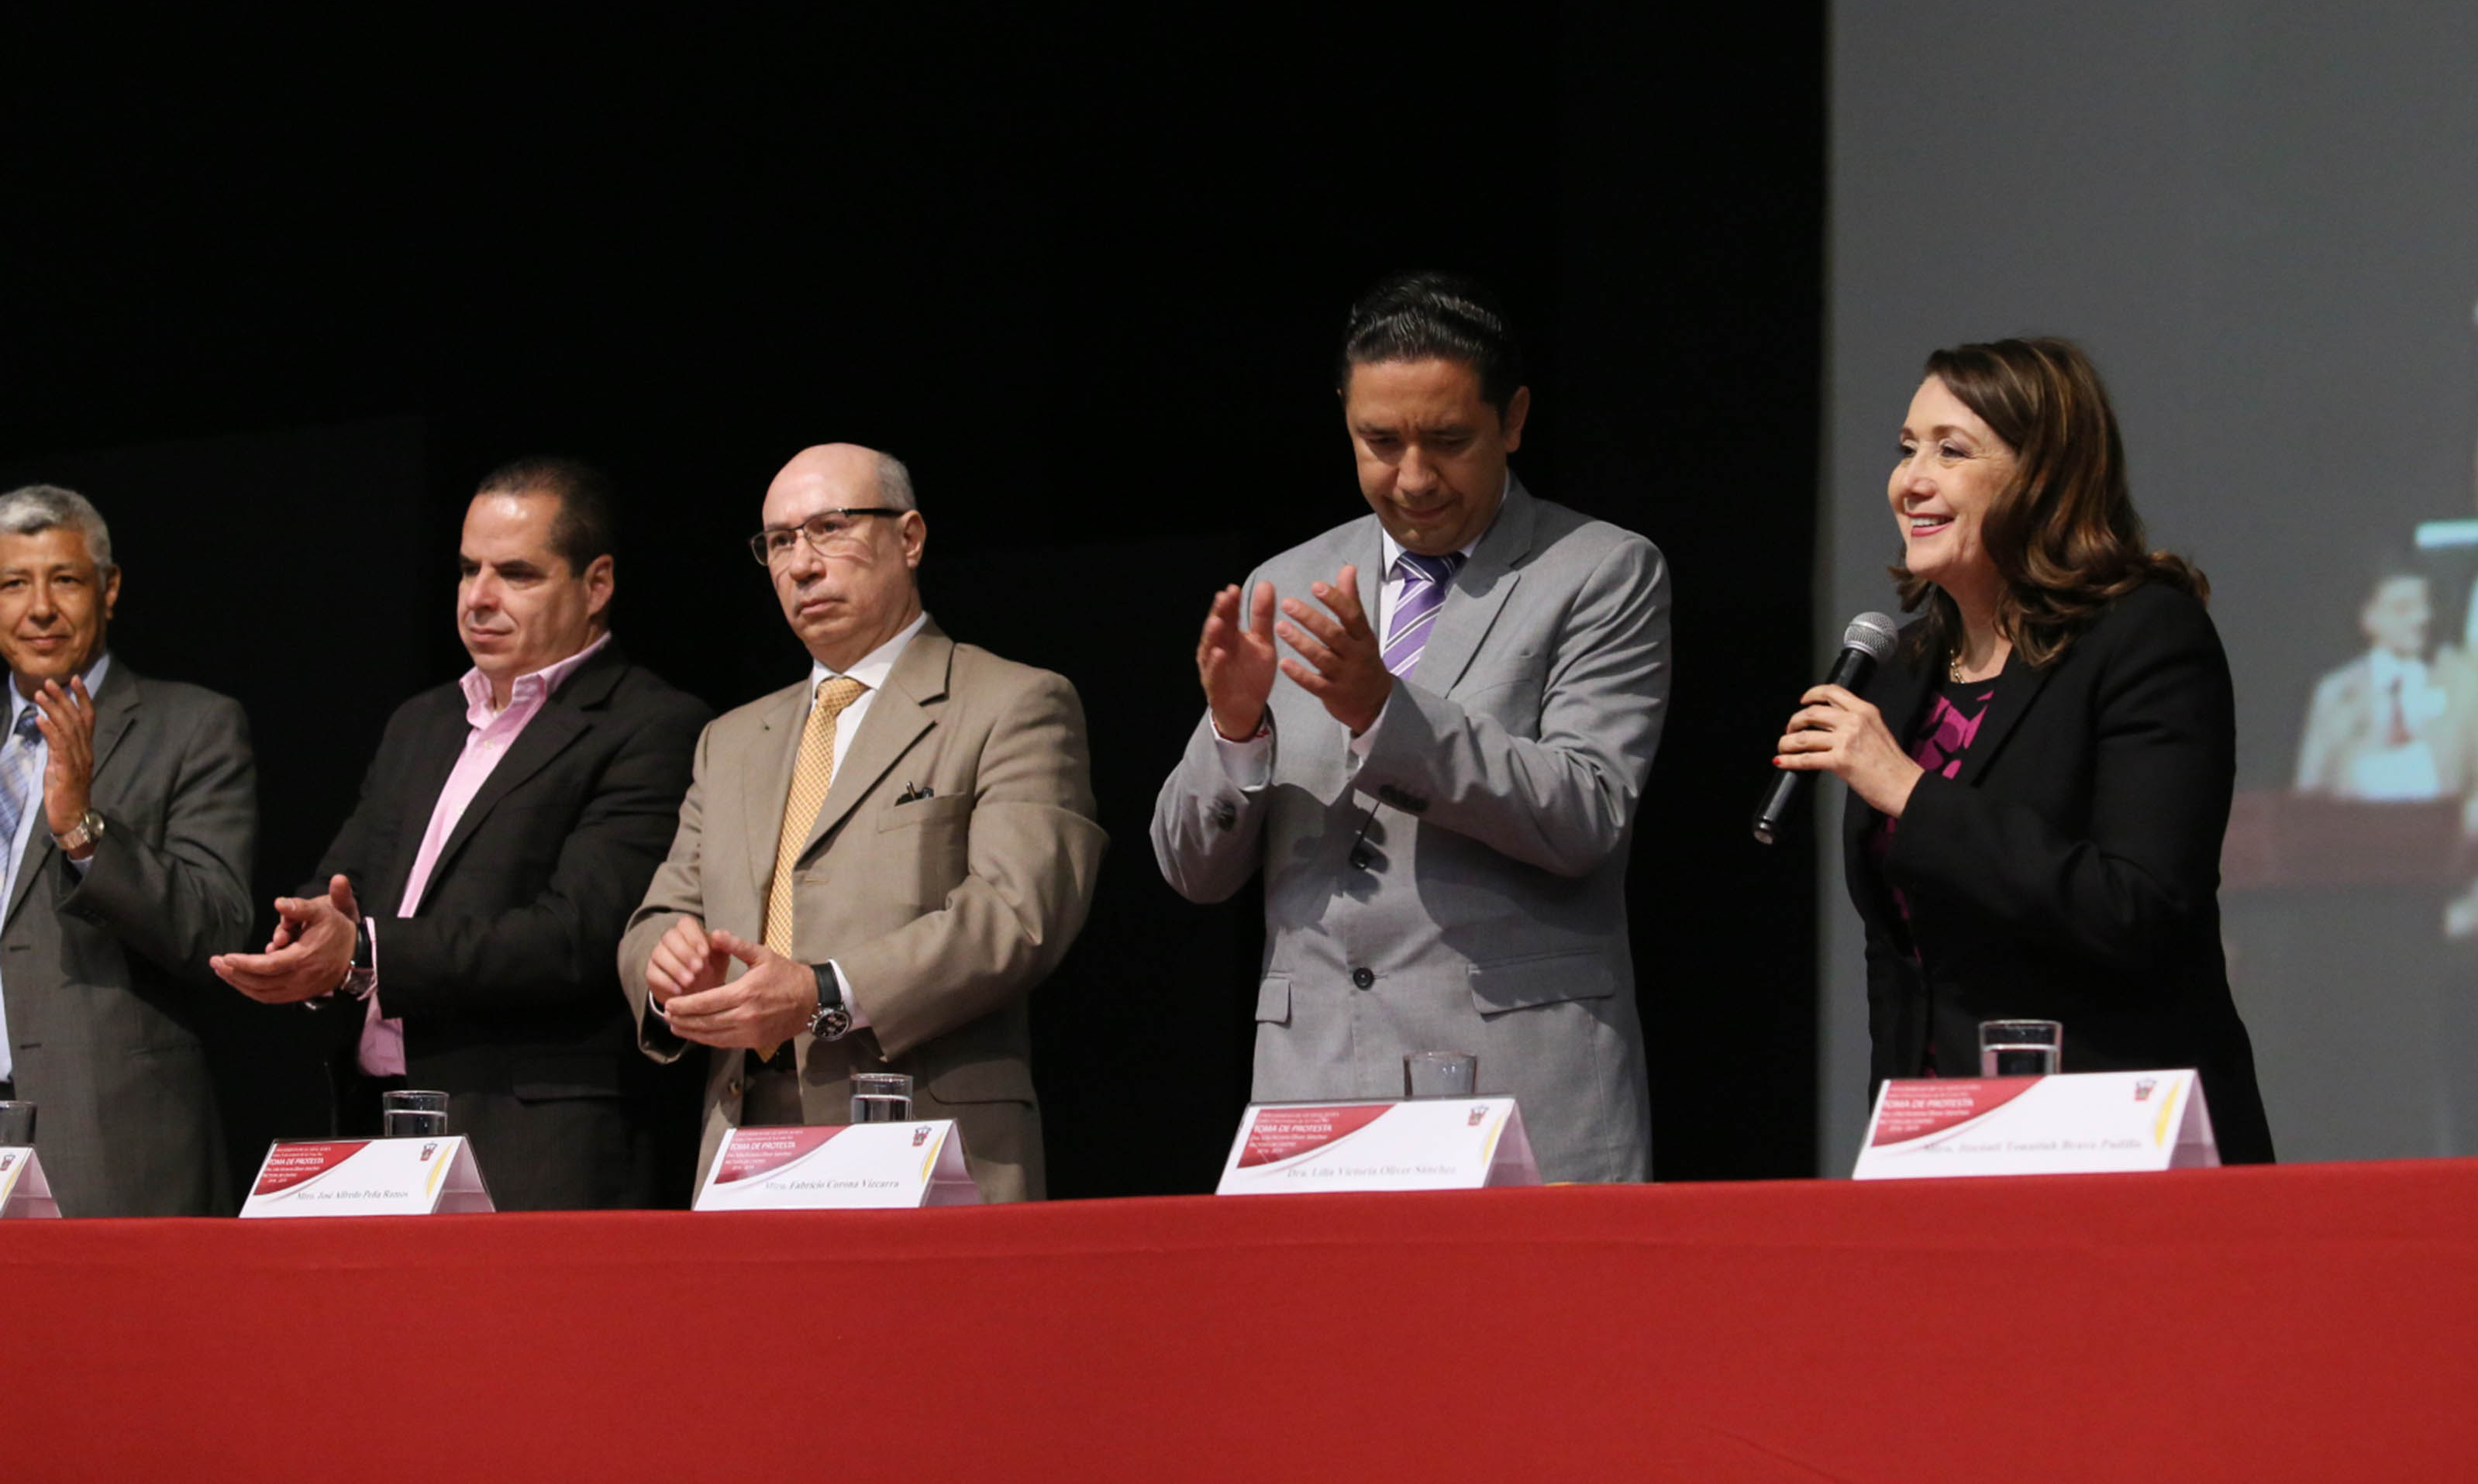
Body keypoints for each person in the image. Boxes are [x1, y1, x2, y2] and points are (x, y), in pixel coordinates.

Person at [1152, 274, 1673, 1183]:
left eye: (1449, 440)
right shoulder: (1291, 581)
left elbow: (1586, 813)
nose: (1416, 478)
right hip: (1317, 1091)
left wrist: (1383, 713)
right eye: (1381, 443)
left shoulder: (1600, 569)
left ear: (1513, 420)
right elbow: (1192, 871)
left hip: (1519, 1090)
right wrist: (1235, 731)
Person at [1775, 336, 2273, 1163]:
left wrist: (1911, 793)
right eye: (1906, 448)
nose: (1911, 481)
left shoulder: (2145, 637)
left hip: (2116, 1137)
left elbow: (2139, 907)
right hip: (1939, 1143)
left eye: (1950, 451)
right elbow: (1900, 963)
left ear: (2043, 476)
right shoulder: (1902, 670)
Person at [212, 460, 711, 1209]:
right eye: (468, 569)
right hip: (378, 1128)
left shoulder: (651, 725)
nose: (479, 597)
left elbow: (576, 936)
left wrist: (367, 953)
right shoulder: (421, 723)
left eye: (517, 574)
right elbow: (346, 884)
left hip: (534, 1146)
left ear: (597, 584)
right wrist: (314, 937)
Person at [619, 444, 1104, 1203]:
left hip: (924, 1136)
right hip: (745, 1142)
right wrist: (666, 968)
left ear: (909, 538)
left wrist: (822, 993)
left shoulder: (1012, 702)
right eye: (780, 541)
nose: (801, 565)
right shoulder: (731, 739)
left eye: (829, 529)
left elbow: (1017, 916)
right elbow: (658, 915)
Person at [0, 484, 254, 1215]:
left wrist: (83, 830)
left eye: (65, 579)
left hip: (106, 1136)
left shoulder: (194, 726)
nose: (39, 608)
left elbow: (216, 928)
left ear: (108, 589)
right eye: (14, 583)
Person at [2294, 563, 2478, 841]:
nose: (2421, 618)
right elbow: (2309, 796)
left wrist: (2453, 835)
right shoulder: (2336, 694)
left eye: (2426, 605)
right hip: (2359, 854)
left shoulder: (2467, 681)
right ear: (2369, 619)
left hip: (2449, 850)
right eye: (2403, 608)